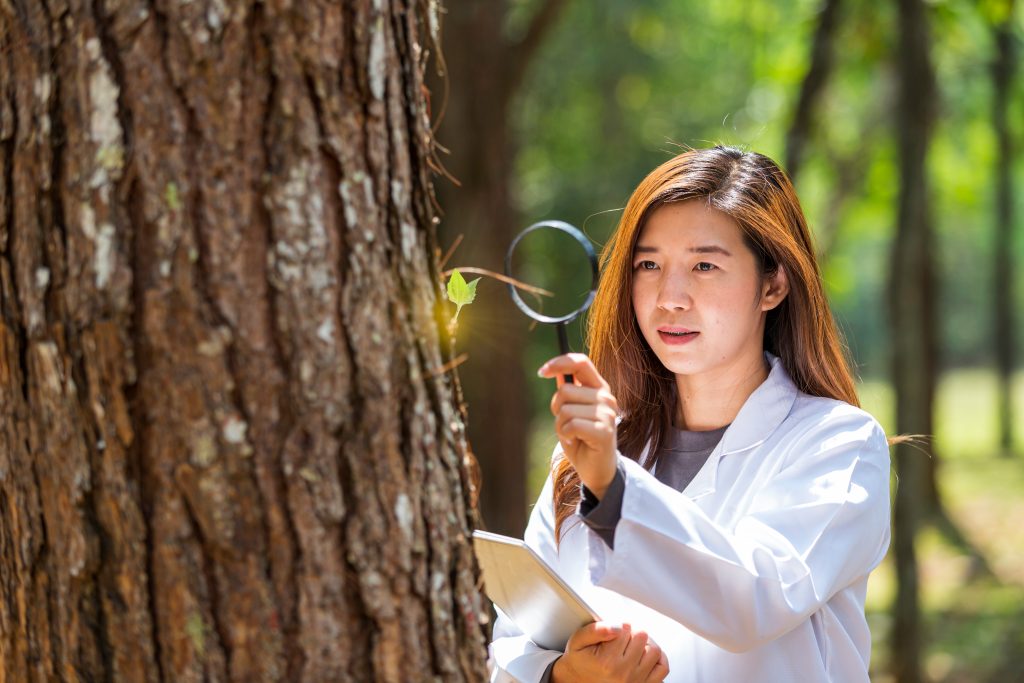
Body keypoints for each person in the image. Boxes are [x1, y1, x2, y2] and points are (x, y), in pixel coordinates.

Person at [488, 146, 893, 683]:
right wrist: (563, 676)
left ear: (772, 284)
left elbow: (756, 599)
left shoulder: (838, 444)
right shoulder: (586, 458)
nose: (669, 298)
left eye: (705, 265)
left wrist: (612, 489)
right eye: (649, 265)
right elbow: (512, 646)